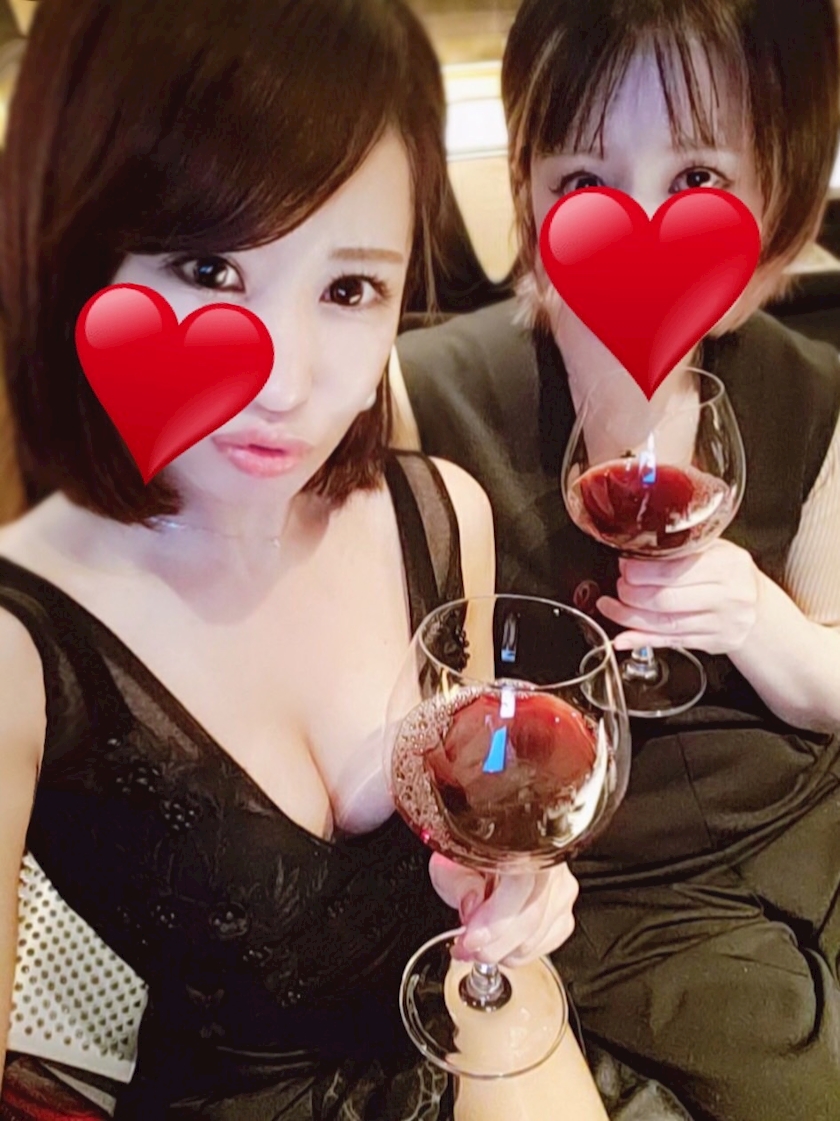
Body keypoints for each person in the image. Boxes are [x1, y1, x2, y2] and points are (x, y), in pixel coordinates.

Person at [0, 1, 589, 1117]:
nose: (282, 382)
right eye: (209, 267)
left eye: (350, 287)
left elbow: (477, 837)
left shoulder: (442, 514)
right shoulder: (20, 642)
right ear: (80, 250)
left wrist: (510, 888)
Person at [392, 1, 840, 1120]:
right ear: (529, 182)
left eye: (698, 178)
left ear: (780, 188)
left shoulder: (822, 395)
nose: (641, 225)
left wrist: (762, 622)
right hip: (595, 891)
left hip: (801, 840)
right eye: (585, 178)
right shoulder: (425, 393)